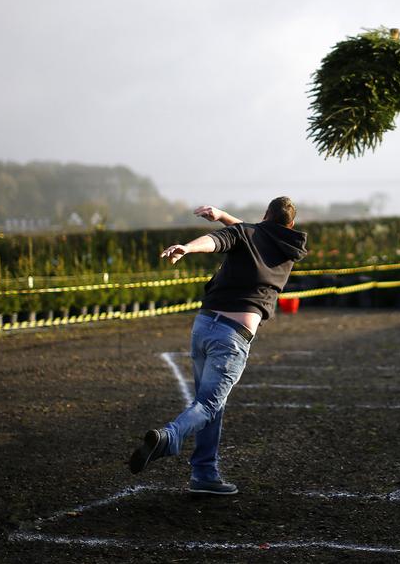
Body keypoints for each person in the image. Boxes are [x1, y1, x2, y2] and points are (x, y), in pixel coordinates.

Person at [128, 196, 308, 495]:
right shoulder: (289, 249)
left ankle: (204, 474)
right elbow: (246, 232)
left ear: (265, 215)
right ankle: (170, 437)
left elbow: (218, 240)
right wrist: (223, 216)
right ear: (291, 224)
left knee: (211, 404)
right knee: (210, 404)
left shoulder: (247, 233)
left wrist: (188, 247)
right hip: (232, 337)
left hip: (203, 326)